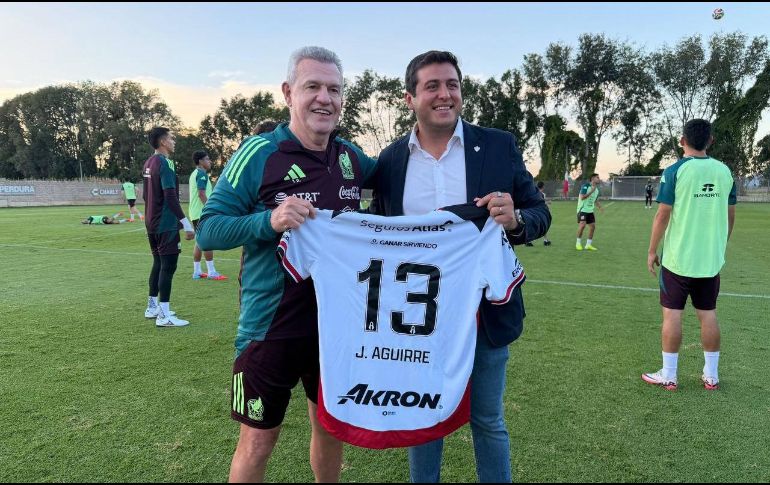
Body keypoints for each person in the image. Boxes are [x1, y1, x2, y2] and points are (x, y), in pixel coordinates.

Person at [195, 46, 377, 483]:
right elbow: (208, 229)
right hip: (269, 326)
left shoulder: (350, 157)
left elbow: (401, 175)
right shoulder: (259, 152)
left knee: (330, 430)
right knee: (258, 442)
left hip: (335, 326)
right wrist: (269, 220)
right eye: (312, 86)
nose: (324, 98)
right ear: (288, 93)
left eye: (333, 89)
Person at [370, 50, 550, 483]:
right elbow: (377, 232)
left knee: (487, 420)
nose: (444, 94)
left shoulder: (498, 145)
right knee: (421, 421)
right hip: (414, 316)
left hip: (483, 312)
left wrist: (517, 220)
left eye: (452, 85)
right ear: (410, 97)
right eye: (432, 86)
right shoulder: (391, 160)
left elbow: (538, 211)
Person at [642, 119, 736, 391]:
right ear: (711, 141)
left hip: (678, 260)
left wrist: (651, 250)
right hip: (709, 261)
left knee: (672, 315)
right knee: (708, 315)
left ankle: (669, 375)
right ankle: (711, 375)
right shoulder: (724, 172)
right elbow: (730, 215)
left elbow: (662, 213)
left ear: (682, 140)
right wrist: (720, 243)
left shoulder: (674, 171)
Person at [142, 127, 195, 328]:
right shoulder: (165, 163)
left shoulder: (148, 162)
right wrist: (185, 222)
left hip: (151, 223)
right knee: (168, 266)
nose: (174, 141)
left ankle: (152, 306)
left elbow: (146, 196)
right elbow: (170, 197)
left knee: (158, 263)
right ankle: (164, 315)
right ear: (163, 142)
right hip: (165, 224)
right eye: (171, 138)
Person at [189, 149, 227, 281]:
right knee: (207, 241)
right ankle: (211, 272)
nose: (209, 161)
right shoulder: (202, 174)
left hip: (195, 212)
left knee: (199, 242)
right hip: (202, 213)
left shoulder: (194, 173)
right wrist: (209, 209)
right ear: (200, 161)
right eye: (207, 159)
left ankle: (197, 271)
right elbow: (201, 194)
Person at [575, 173, 604, 251]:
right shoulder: (586, 186)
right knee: (582, 225)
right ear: (593, 178)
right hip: (582, 210)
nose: (599, 179)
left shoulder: (597, 190)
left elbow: (595, 200)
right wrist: (591, 191)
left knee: (593, 227)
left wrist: (600, 207)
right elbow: (582, 197)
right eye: (597, 177)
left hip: (590, 211)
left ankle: (588, 245)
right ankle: (578, 243)